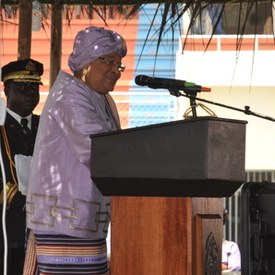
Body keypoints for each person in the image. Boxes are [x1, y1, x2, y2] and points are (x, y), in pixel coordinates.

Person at [23, 26, 127, 275]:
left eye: (119, 65)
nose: (116, 71)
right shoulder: (70, 94)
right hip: (64, 222)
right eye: (110, 61)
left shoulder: (99, 97)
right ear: (87, 61)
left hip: (85, 218)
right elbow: (96, 148)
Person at [0, 59, 43, 275]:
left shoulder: (45, 126)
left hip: (43, 227)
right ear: (7, 90)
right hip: (8, 225)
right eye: (22, 87)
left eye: (34, 87)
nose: (29, 93)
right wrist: (21, 201)